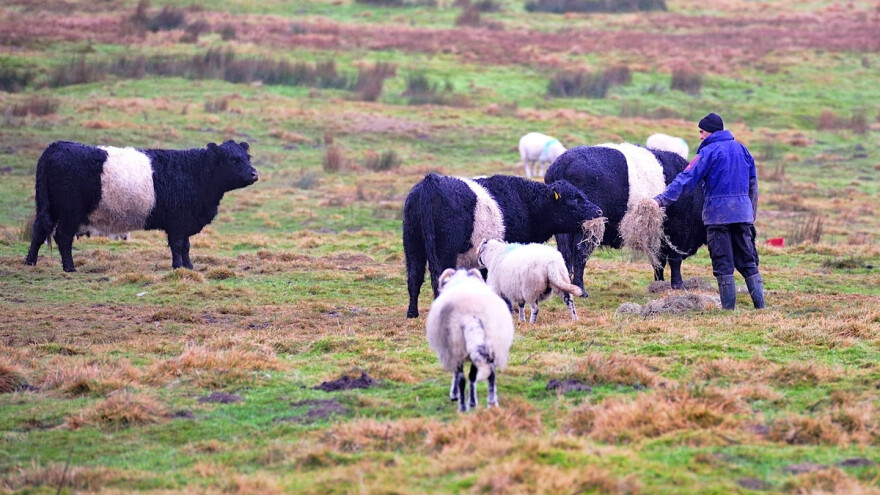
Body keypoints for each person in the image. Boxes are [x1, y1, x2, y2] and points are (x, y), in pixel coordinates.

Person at [653, 112, 764, 310]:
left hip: (718, 216)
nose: (700, 136)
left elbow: (685, 179)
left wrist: (661, 200)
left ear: (710, 132)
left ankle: (728, 310)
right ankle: (760, 307)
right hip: (742, 215)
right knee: (747, 261)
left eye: (702, 131)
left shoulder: (708, 152)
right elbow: (753, 185)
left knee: (723, 262)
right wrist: (750, 214)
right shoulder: (743, 150)